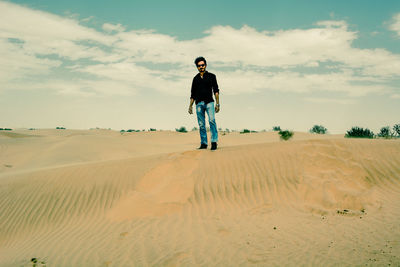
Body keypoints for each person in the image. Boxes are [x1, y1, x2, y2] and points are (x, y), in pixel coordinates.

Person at [188, 56, 220, 150]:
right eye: (199, 65)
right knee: (201, 124)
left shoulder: (212, 76)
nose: (201, 67)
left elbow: (216, 91)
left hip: (209, 102)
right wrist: (190, 106)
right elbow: (192, 94)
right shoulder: (195, 79)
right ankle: (204, 143)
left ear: (205, 65)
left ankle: (214, 142)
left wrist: (217, 104)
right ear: (197, 67)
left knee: (212, 121)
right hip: (199, 104)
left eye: (202, 65)